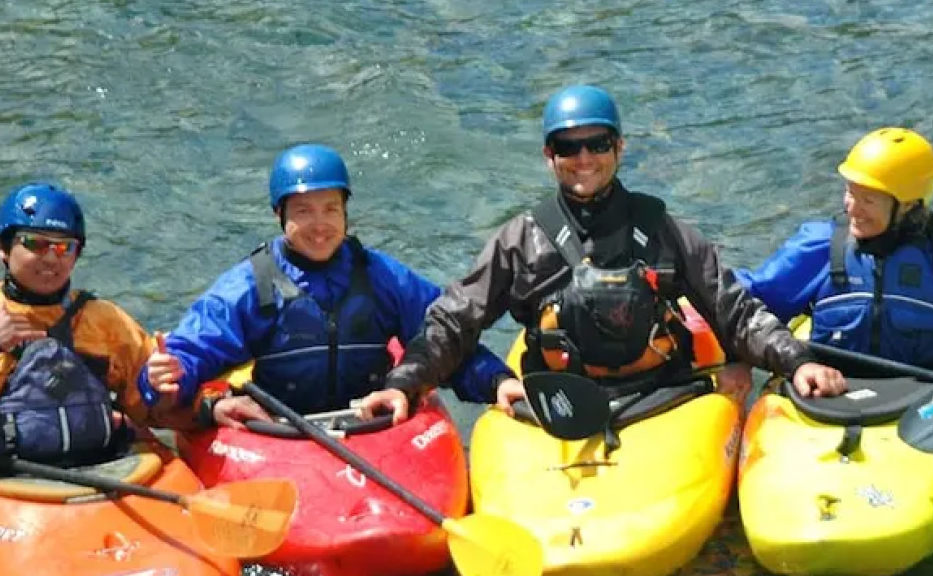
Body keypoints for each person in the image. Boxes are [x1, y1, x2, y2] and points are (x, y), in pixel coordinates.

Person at [358, 85, 847, 424]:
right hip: (557, 403)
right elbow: (453, 321)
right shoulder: (519, 240)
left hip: (663, 397)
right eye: (568, 147)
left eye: (597, 143)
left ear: (620, 147)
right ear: (548, 155)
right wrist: (404, 384)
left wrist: (796, 360)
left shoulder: (662, 228)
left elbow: (732, 310)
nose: (584, 158)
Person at [143, 143, 511, 427]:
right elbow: (190, 351)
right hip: (279, 429)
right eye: (304, 211)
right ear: (279, 214)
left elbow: (444, 337)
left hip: (376, 421)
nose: (320, 225)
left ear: (345, 212)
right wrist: (171, 375)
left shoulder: (379, 275)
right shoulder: (249, 285)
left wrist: (496, 381)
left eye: (330, 209)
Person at [0, 183, 178, 467]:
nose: (50, 258)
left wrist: (159, 389)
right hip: (3, 479)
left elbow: (156, 414)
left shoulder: (103, 321)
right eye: (34, 243)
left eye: (64, 247)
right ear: (2, 248)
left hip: (99, 470)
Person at [735, 128, 933, 373]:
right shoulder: (820, 245)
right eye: (850, 193)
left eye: (868, 200)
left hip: (921, 402)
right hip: (825, 390)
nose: (852, 208)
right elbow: (753, 297)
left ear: (906, 205)